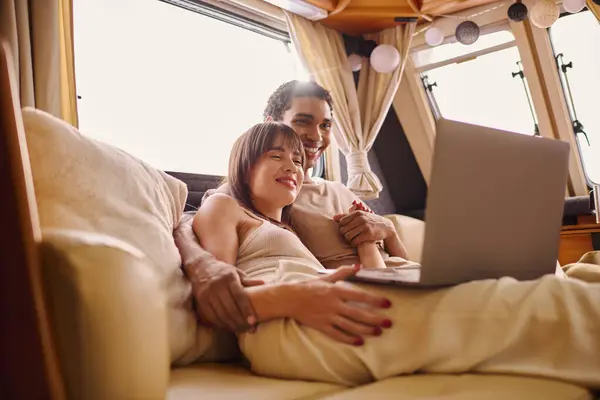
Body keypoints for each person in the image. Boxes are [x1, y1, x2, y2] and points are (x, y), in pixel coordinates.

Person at [192, 120, 600, 388]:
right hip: (286, 322)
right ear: (244, 165)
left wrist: (367, 243)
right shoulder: (223, 207)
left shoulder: (291, 228)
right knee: (541, 302)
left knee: (555, 275)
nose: (294, 167)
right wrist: (297, 298)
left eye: (299, 160)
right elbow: (217, 304)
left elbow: (374, 272)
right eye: (276, 156)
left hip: (324, 303)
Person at [174, 80, 407, 339]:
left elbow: (396, 257)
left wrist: (389, 231)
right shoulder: (250, 194)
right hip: (353, 291)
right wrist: (200, 264)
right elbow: (189, 222)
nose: (316, 135)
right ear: (271, 121)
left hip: (393, 276)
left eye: (325, 125)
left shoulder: (336, 192)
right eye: (303, 121)